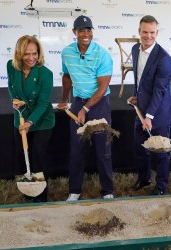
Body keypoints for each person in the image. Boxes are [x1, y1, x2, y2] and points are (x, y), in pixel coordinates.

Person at [57, 15, 114, 201]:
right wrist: (65, 99)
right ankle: (74, 191)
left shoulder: (102, 55)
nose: (86, 33)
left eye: (89, 30)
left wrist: (85, 109)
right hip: (78, 102)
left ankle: (107, 191)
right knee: (77, 148)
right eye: (82, 30)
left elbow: (103, 87)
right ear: (75, 32)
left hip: (99, 104)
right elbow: (67, 77)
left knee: (102, 148)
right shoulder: (66, 52)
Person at [127, 15, 171, 195]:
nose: (148, 36)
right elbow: (139, 78)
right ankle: (144, 179)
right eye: (145, 32)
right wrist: (135, 95)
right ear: (139, 32)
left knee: (161, 153)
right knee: (140, 148)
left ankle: (161, 186)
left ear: (157, 33)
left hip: (158, 114)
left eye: (152, 32)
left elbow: (159, 91)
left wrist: (149, 116)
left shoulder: (164, 59)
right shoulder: (135, 49)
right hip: (141, 110)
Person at [7, 35, 55, 202]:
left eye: (34, 53)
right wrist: (14, 100)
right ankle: (27, 193)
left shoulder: (46, 74)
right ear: (19, 54)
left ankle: (41, 197)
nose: (31, 58)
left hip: (41, 121)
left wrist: (29, 122)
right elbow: (11, 85)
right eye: (27, 54)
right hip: (20, 119)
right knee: (22, 157)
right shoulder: (11, 66)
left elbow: (42, 104)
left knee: (37, 157)